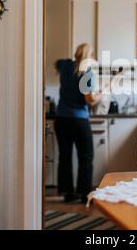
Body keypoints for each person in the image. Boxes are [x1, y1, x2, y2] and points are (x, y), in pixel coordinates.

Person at [54, 43, 101, 203]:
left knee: (65, 156)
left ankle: (68, 193)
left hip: (61, 119)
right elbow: (90, 100)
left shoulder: (65, 65)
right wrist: (102, 93)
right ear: (90, 56)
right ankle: (84, 193)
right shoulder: (87, 72)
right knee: (86, 156)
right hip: (79, 120)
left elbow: (57, 63)